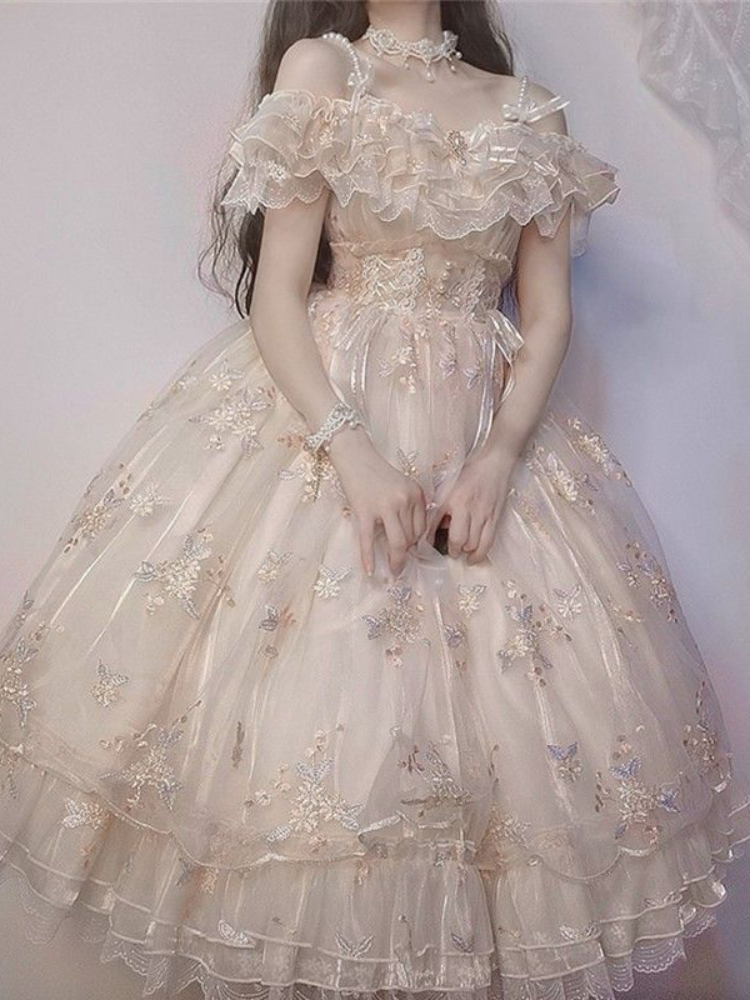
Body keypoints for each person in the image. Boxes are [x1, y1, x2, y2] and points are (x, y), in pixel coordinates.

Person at [1, 2, 748, 998]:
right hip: (327, 428)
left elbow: (547, 314)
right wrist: (348, 450)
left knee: (505, 750)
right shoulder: (324, 70)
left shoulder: (528, 110)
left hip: (478, 445)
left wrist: (500, 456)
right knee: (323, 721)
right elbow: (278, 294)